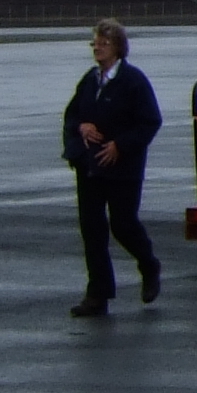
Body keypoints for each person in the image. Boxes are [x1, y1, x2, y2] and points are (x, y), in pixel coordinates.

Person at [62, 19, 163, 317]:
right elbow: (71, 115)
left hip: (122, 169)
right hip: (91, 167)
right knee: (92, 229)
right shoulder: (89, 81)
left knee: (123, 224)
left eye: (104, 43)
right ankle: (98, 293)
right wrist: (81, 127)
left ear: (118, 48)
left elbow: (149, 122)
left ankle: (149, 265)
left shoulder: (133, 81)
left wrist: (121, 145)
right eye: (95, 42)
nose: (97, 48)